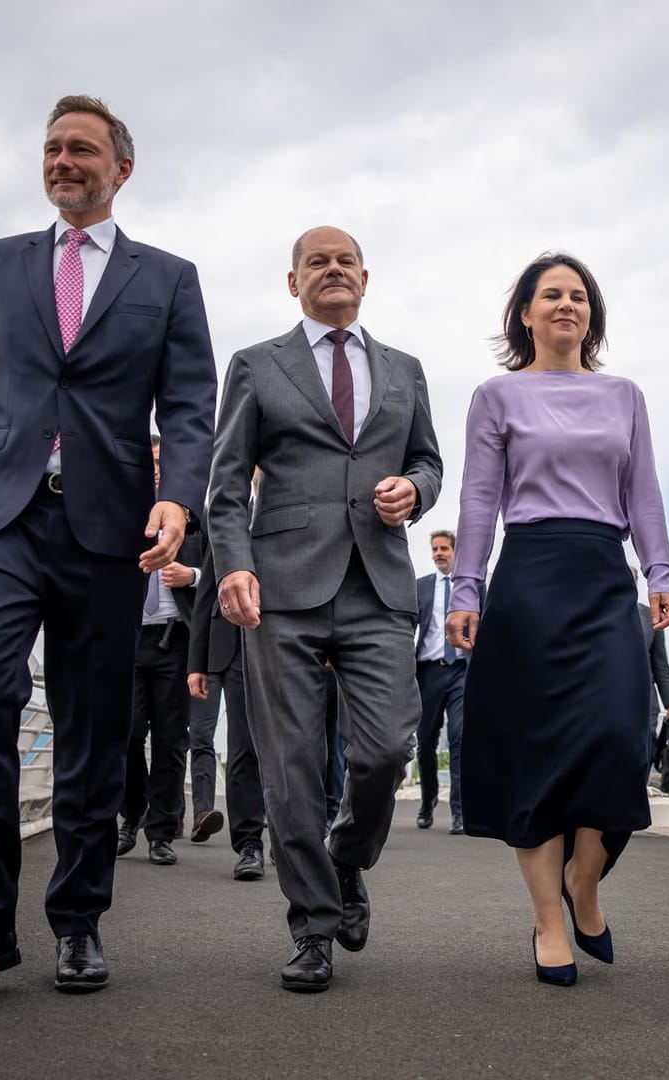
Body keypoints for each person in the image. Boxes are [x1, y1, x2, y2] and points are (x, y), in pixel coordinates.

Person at [0, 95, 216, 996]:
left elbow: (189, 406)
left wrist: (176, 499)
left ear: (121, 167)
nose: (63, 160)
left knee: (90, 727)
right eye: (51, 148)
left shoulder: (169, 278)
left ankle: (78, 921)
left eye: (82, 148)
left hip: (110, 528)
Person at [206, 226, 442, 994]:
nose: (333, 271)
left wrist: (416, 490)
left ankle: (346, 857)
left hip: (377, 584)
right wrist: (234, 567)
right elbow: (227, 482)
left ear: (365, 279)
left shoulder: (404, 369)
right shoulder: (256, 365)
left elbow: (428, 460)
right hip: (281, 589)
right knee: (292, 767)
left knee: (383, 751)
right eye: (319, 262)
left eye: (346, 262)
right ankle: (312, 927)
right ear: (293, 280)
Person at [448, 252, 669, 988]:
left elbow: (643, 490)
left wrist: (661, 573)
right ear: (525, 311)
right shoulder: (497, 396)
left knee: (618, 734)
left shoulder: (623, 395)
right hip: (530, 579)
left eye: (578, 296)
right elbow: (479, 501)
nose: (566, 305)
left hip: (604, 576)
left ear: (591, 313)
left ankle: (586, 881)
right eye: (551, 294)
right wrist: (465, 591)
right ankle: (551, 918)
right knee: (534, 752)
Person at [118, 438, 207, 867]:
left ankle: (160, 832)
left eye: (161, 462)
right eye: (149, 462)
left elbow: (223, 571)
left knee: (172, 741)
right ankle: (132, 812)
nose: (155, 469)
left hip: (177, 641)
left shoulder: (195, 520)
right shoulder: (122, 513)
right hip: (131, 638)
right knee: (127, 735)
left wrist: (191, 575)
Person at [187, 573, 266, 882]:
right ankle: (249, 844)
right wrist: (196, 663)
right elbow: (207, 591)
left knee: (290, 745)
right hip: (230, 646)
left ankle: (299, 834)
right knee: (242, 747)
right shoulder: (223, 524)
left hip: (284, 639)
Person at [414, 530, 474, 833]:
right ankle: (427, 803)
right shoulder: (420, 587)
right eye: (435, 548)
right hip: (429, 672)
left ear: (455, 551)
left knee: (459, 737)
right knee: (424, 741)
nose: (439, 553)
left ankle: (460, 813)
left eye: (444, 548)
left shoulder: (473, 588)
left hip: (462, 670)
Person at [636, 566, 669, 742]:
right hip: (606, 699)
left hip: (646, 702)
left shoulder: (649, 616)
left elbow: (660, 665)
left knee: (645, 750)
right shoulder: (599, 615)